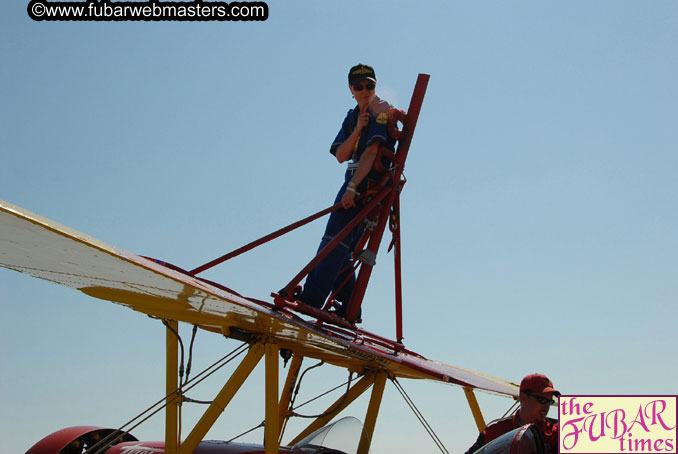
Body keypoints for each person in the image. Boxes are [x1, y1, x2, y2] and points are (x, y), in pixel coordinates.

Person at [297, 63, 396, 317]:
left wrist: (352, 188)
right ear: (351, 89)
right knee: (340, 246)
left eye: (370, 85)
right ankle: (351, 307)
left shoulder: (381, 110)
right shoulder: (353, 116)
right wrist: (358, 130)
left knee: (335, 242)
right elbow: (341, 155)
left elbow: (372, 151)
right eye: (359, 86)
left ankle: (312, 298)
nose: (365, 90)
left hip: (365, 185)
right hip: (351, 179)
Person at [464, 373, 560, 454]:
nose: (546, 407)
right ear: (523, 398)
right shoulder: (494, 433)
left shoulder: (557, 431)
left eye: (549, 402)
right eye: (542, 400)